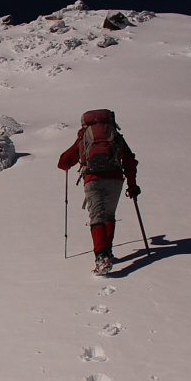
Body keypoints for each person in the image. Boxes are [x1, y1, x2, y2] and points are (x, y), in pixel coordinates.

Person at [58, 109, 139, 275]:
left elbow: (64, 161)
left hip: (93, 179)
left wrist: (66, 163)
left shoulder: (85, 136)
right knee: (109, 215)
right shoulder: (115, 136)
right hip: (115, 179)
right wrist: (132, 185)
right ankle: (107, 251)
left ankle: (102, 257)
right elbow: (129, 160)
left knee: (97, 217)